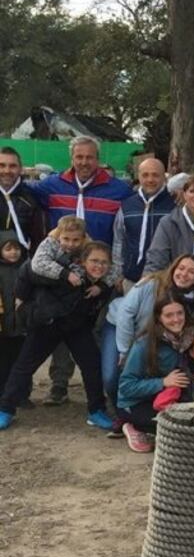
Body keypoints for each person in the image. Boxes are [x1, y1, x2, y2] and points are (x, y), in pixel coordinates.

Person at [30, 136, 133, 406]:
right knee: (63, 328)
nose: (84, 162)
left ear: (97, 159)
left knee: (97, 330)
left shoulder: (118, 190)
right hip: (64, 275)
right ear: (71, 158)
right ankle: (59, 384)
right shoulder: (52, 186)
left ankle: (100, 389)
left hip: (99, 273)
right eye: (79, 157)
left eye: (89, 157)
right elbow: (21, 188)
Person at [0, 241, 114, 431]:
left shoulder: (103, 284)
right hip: (48, 324)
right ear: (83, 261)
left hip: (77, 327)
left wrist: (101, 287)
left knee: (92, 364)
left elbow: (109, 283)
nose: (99, 266)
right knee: (25, 365)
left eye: (104, 262)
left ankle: (96, 410)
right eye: (94, 261)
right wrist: (21, 302)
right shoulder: (64, 273)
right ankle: (5, 409)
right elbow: (28, 271)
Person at [103, 255, 194, 419]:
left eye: (191, 272)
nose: (184, 274)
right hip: (121, 325)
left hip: (156, 337)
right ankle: (119, 415)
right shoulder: (151, 283)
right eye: (181, 268)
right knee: (112, 375)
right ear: (173, 268)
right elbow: (126, 313)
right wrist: (124, 351)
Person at [116, 298, 193, 452]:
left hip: (167, 397)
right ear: (159, 317)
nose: (176, 319)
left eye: (180, 313)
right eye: (169, 315)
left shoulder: (188, 338)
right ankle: (132, 426)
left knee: (193, 421)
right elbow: (126, 386)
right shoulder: (144, 344)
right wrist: (163, 382)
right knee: (178, 427)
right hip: (137, 402)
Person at [111, 156, 174, 288]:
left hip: (163, 281)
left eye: (155, 175)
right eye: (145, 175)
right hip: (130, 279)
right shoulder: (127, 205)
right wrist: (118, 273)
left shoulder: (174, 206)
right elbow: (118, 240)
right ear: (138, 177)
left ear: (164, 177)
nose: (150, 180)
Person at [0, 146, 45, 251]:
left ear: (20, 169)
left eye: (12, 166)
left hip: (20, 264)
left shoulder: (31, 198)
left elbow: (37, 239)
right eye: (1, 165)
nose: (7, 171)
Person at [0, 232, 26, 394]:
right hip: (3, 325)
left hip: (23, 326)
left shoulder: (26, 268)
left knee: (22, 361)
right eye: (8, 249)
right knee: (4, 361)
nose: (13, 252)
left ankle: (23, 394)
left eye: (16, 248)